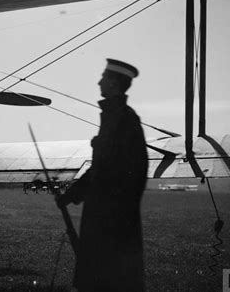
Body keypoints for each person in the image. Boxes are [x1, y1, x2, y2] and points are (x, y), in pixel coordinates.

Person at [57, 58, 148, 292]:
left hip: (112, 221)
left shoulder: (124, 119)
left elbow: (122, 171)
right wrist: (71, 194)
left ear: (115, 84)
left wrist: (82, 196)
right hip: (106, 217)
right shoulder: (114, 117)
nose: (99, 82)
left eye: (104, 78)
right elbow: (102, 168)